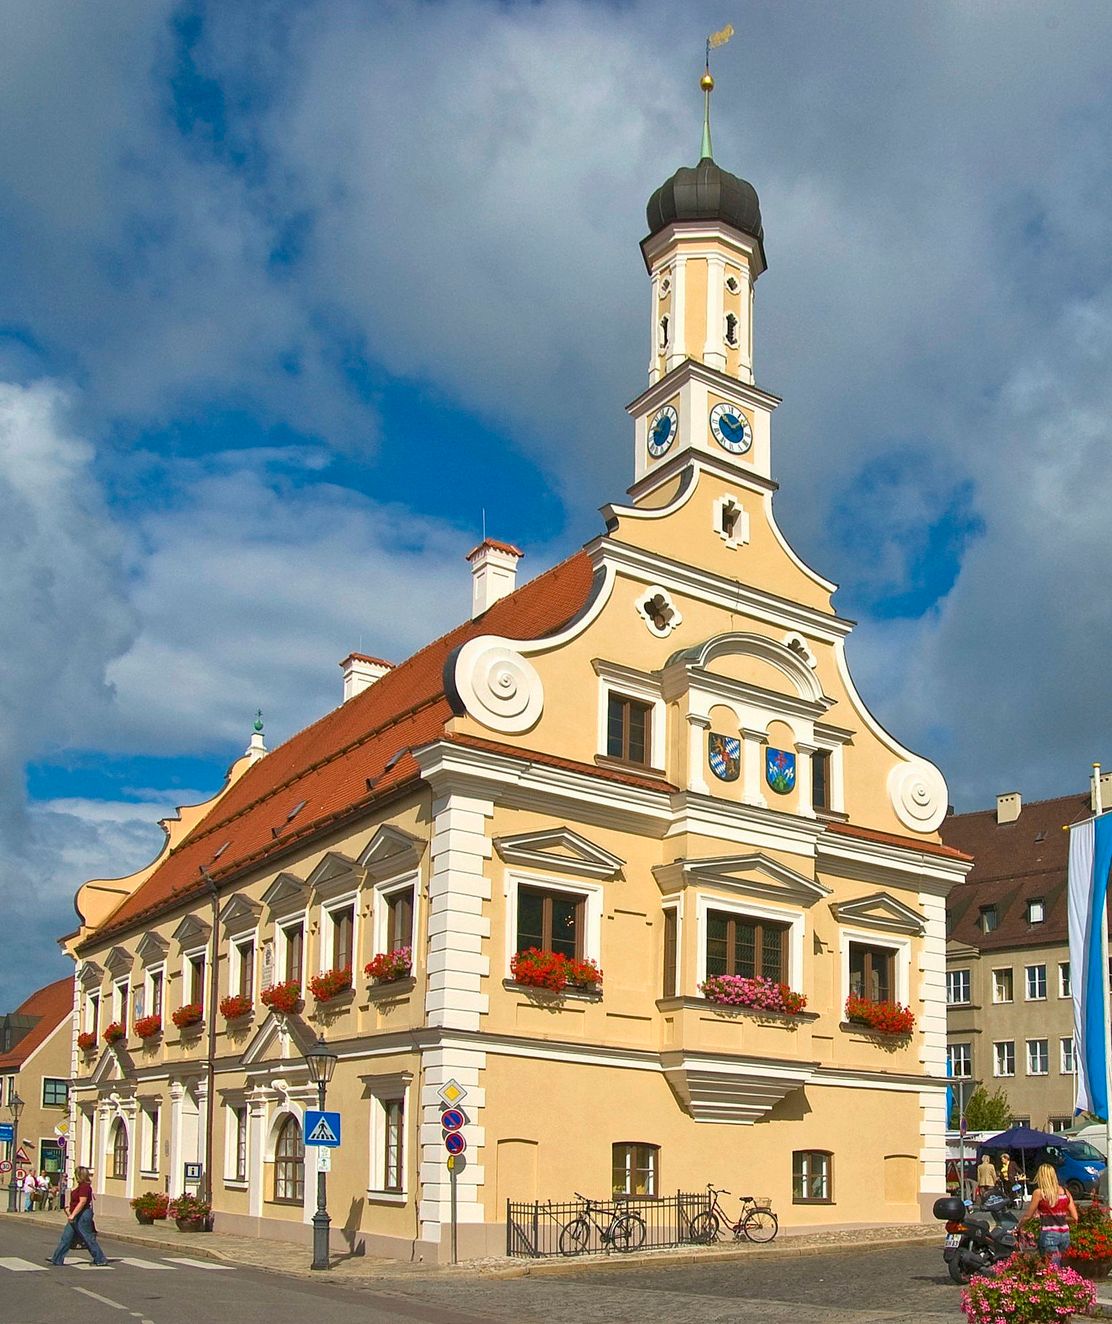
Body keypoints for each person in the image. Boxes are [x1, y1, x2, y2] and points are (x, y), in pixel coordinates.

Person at [47, 1167, 108, 1267]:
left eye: (76, 1174)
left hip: (82, 1215)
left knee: (87, 1238)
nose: (75, 1176)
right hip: (76, 1215)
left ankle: (100, 1259)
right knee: (66, 1237)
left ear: (79, 1175)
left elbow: (83, 1202)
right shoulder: (80, 1186)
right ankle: (57, 1259)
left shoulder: (85, 1187)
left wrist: (73, 1215)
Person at [1021, 1162, 1078, 1264]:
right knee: (1062, 1266)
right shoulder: (1065, 1192)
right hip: (1065, 1234)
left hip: (1049, 1234)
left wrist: (1019, 1226)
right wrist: (1060, 1217)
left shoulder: (1039, 1193)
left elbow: (1028, 1216)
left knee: (1052, 1268)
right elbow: (1075, 1217)